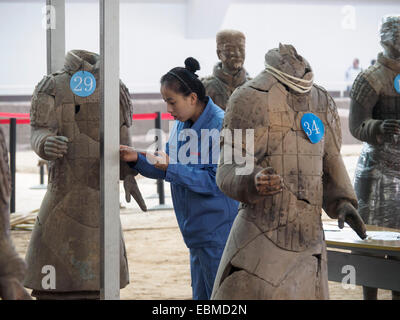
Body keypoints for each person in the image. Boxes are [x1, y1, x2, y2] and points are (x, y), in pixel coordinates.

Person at [211, 44, 366, 300]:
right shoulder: (249, 97)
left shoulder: (320, 99)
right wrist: (253, 180)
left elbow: (330, 160)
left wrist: (343, 202)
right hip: (260, 237)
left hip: (309, 239)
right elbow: (228, 166)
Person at [120, 57, 239, 300]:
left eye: (172, 102)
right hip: (195, 232)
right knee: (202, 297)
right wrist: (138, 159)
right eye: (166, 102)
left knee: (221, 298)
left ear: (192, 98)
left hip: (217, 232)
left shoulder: (220, 126)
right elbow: (167, 166)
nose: (169, 109)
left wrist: (171, 166)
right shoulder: (181, 125)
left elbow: (216, 182)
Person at [349, 15, 400, 300]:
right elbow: (356, 125)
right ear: (385, 38)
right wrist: (378, 127)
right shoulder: (369, 78)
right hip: (377, 170)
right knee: (372, 241)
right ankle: (369, 295)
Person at [202, 30, 250, 110]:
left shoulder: (254, 87)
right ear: (219, 54)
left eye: (241, 49)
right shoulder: (205, 88)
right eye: (230, 50)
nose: (237, 54)